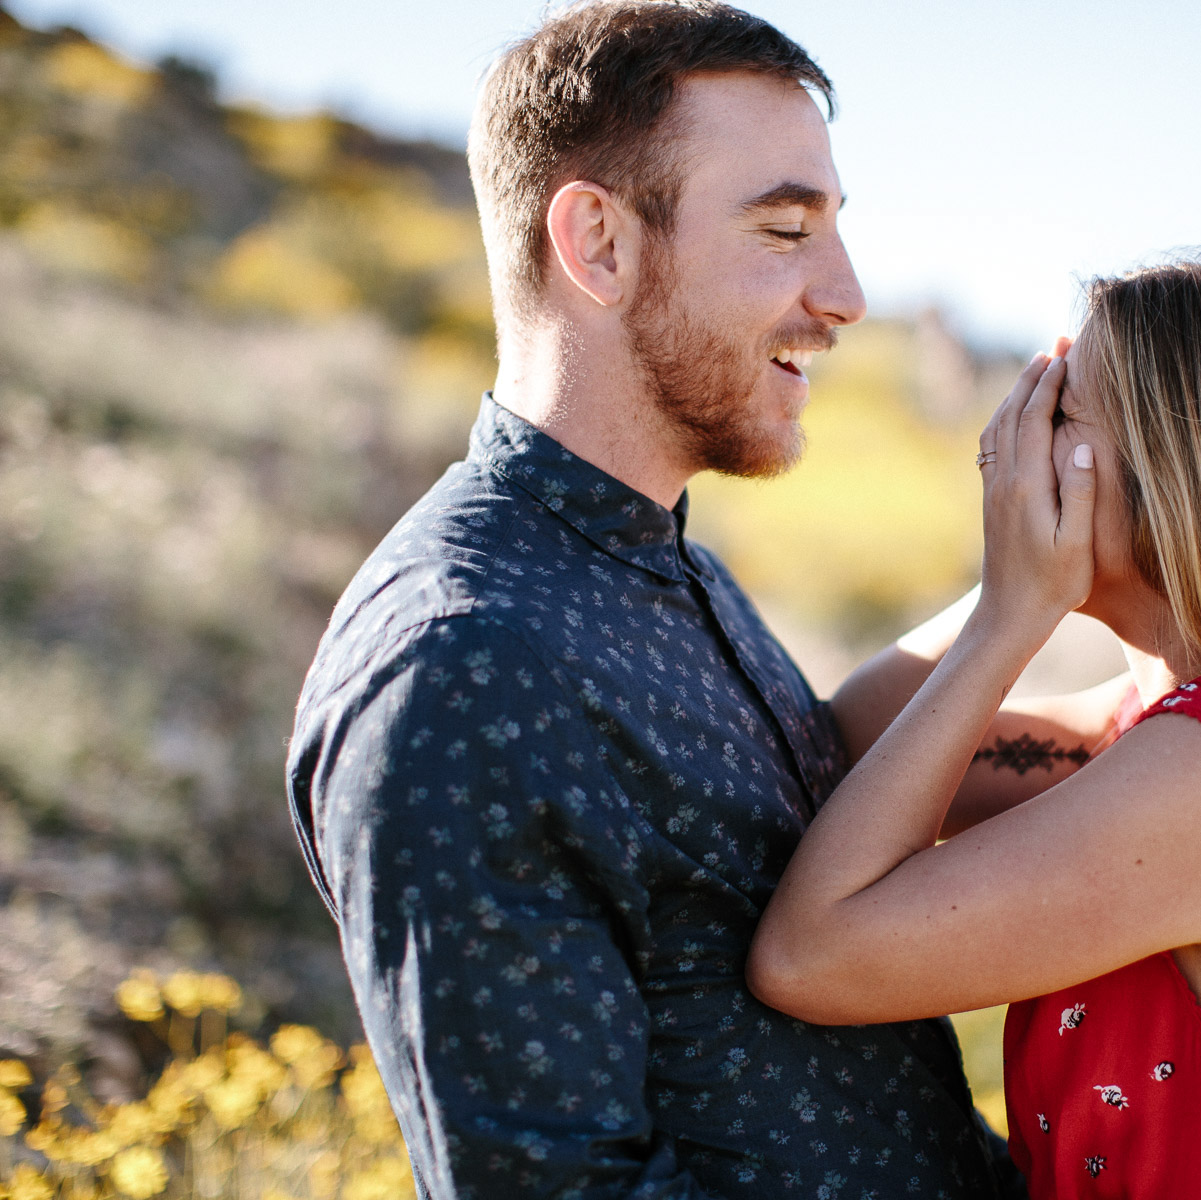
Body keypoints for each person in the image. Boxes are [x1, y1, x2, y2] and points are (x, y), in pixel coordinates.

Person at [285, 3, 1020, 1197]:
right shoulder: (463, 666)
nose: (846, 297)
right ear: (600, 245)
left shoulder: (669, 566)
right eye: (786, 230)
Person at [749, 256, 1201, 1198]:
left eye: (1059, 414)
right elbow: (854, 737)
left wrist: (1016, 614)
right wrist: (1012, 587)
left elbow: (811, 956)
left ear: (1186, 477)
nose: (1012, 446)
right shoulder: (1190, 727)